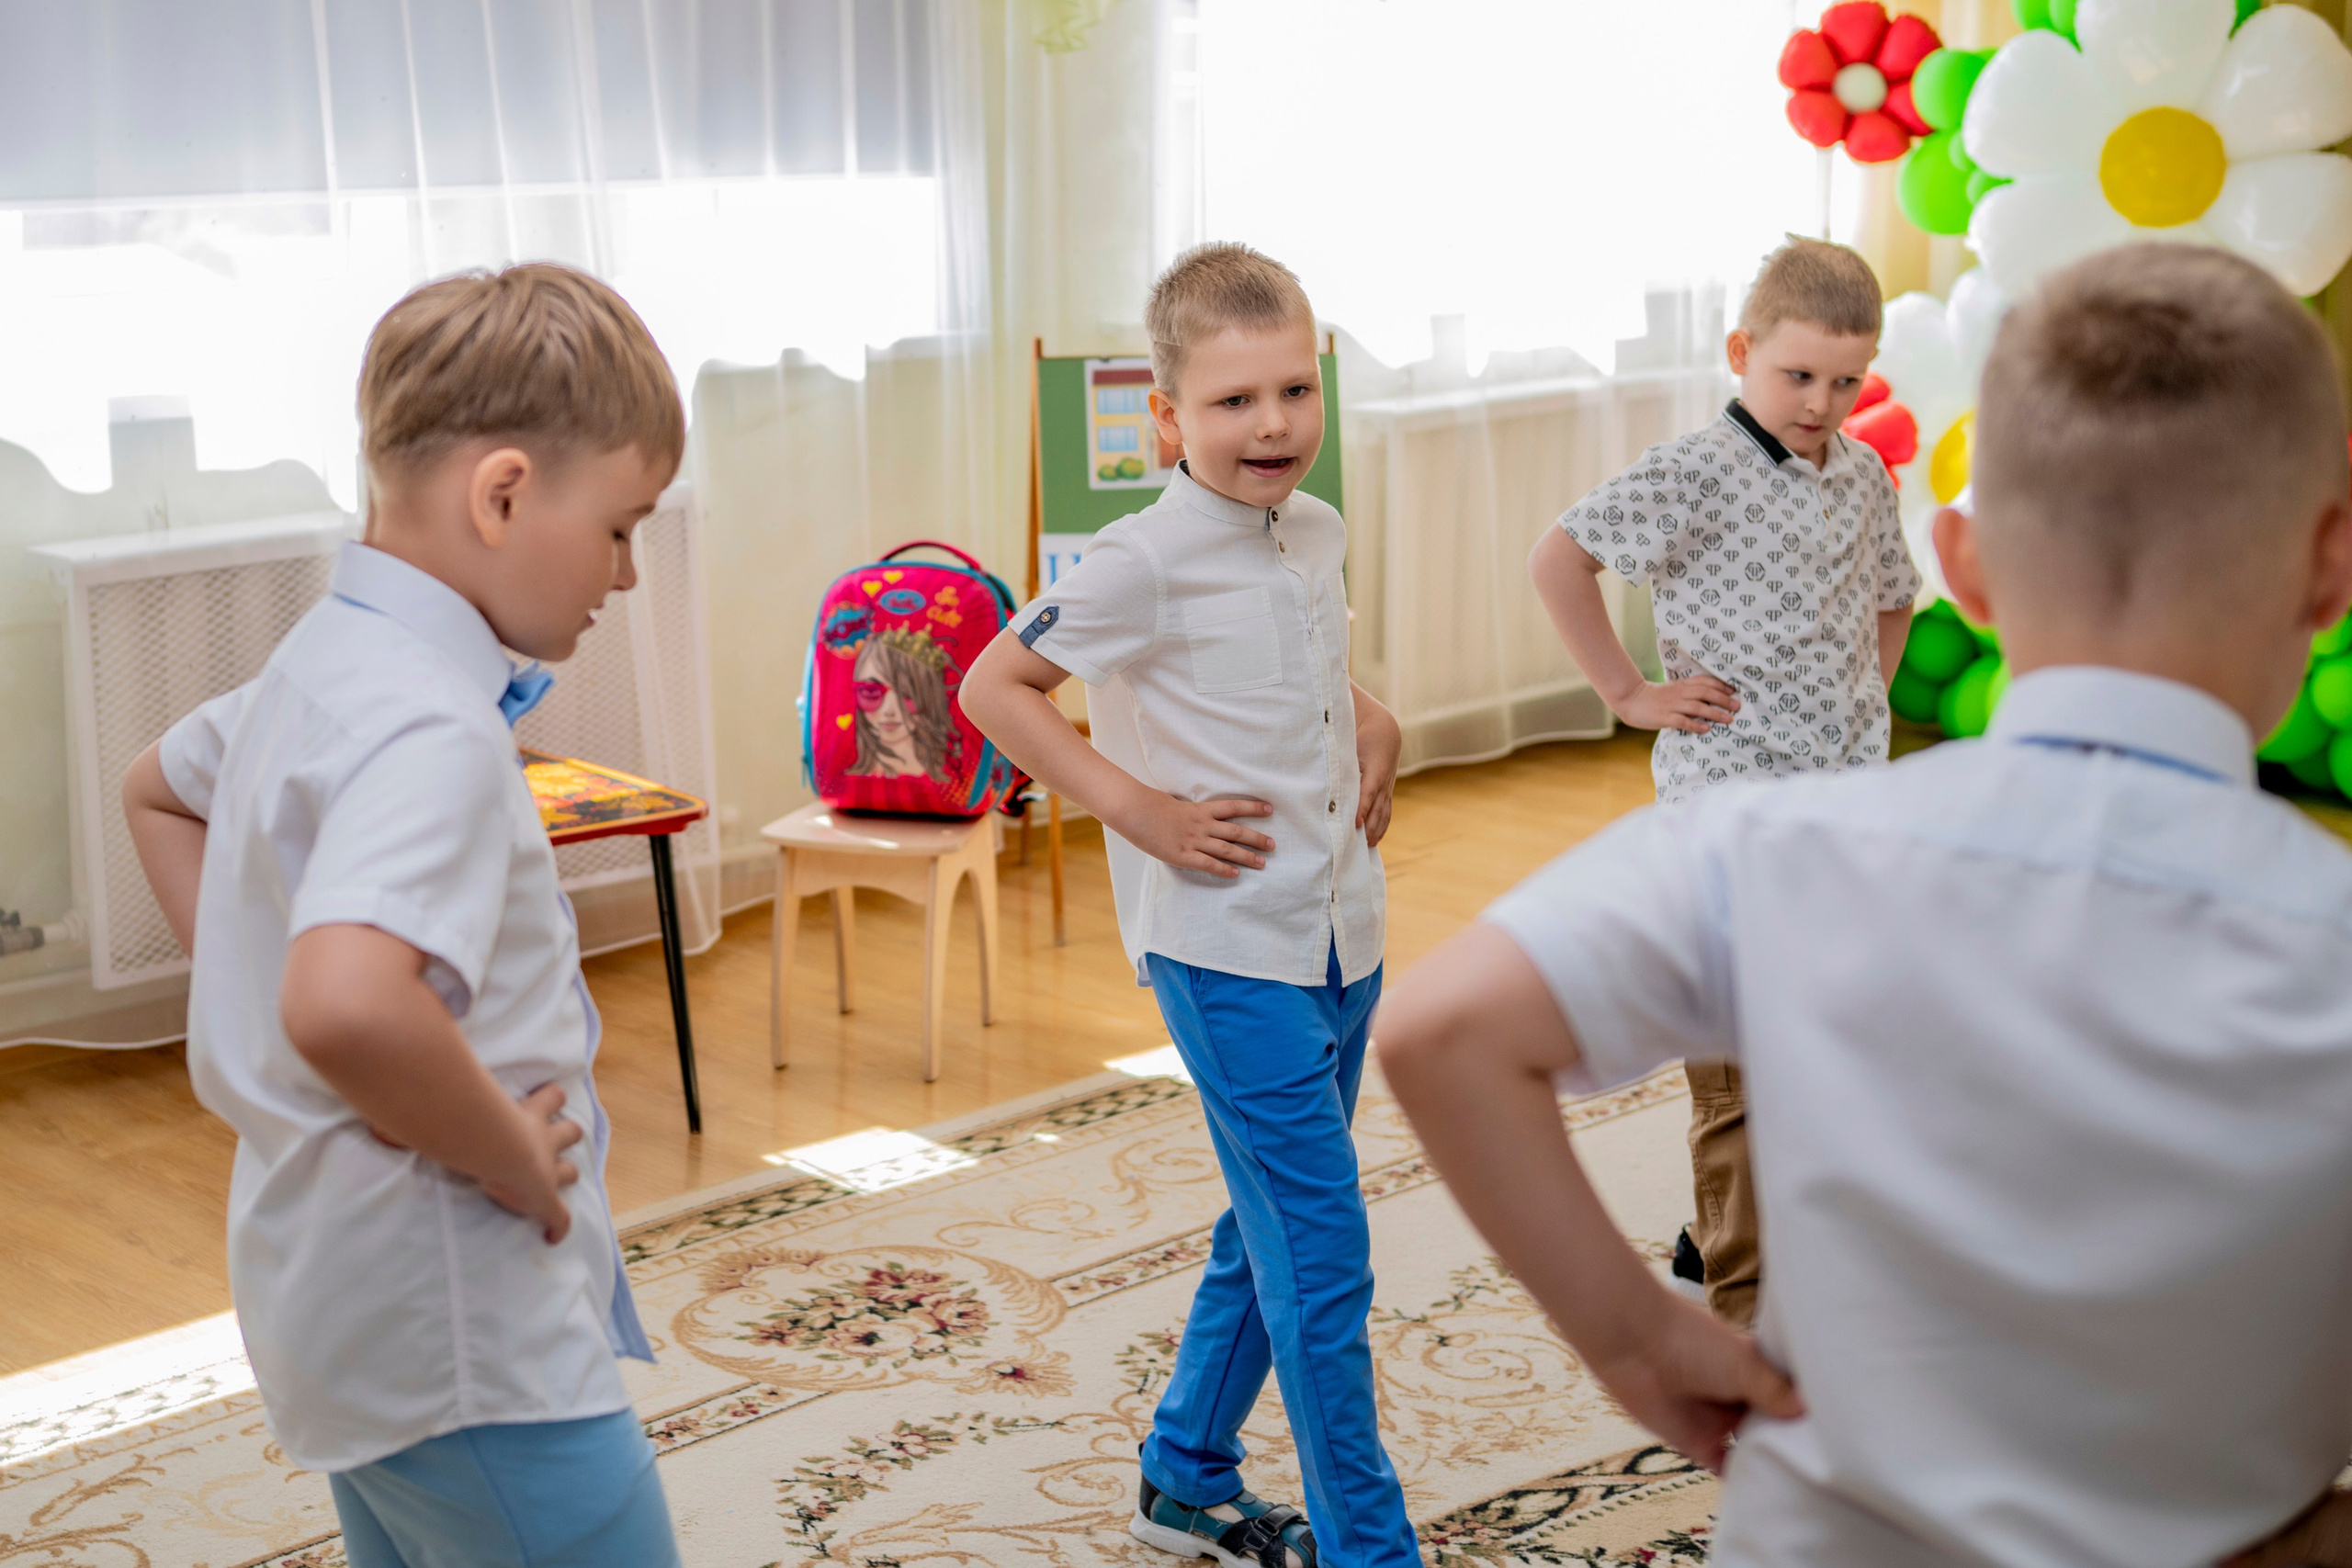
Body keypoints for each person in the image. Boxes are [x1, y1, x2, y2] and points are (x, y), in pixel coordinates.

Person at [1374, 243, 2352, 1568]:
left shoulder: (1769, 856)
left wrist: (1637, 1339)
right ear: (2331, 570)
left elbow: (1443, 1030)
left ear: (1968, 566)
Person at [120, 264, 685, 1568]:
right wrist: (505, 1152)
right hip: (464, 1325)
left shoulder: (319, 664)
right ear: (503, 495)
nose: (626, 574)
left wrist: (267, 1010)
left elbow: (157, 791)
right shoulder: (428, 725)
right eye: (620, 528)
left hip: (339, 1301)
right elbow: (347, 1003)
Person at [961, 242, 1415, 1568]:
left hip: (1341, 931)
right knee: (1321, 1253)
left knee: (1273, 1220)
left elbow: (1296, 666)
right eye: (1232, 401)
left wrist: (1374, 719)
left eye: (1294, 390)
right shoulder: (1137, 561)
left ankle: (1183, 1473)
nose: (1272, 424)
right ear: (1166, 417)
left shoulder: (1314, 529)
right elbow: (994, 688)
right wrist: (1143, 813)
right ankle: (1372, 1551)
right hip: (1226, 951)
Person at [1527, 235, 1920, 1326]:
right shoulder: (1694, 471)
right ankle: (1746, 1313)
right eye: (1798, 375)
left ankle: (1717, 1235)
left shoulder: (1862, 475)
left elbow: (1894, 594)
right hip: (1725, 818)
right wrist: (1626, 691)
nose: (1820, 402)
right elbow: (1560, 557)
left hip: (1834, 812)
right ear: (1743, 353)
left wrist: (1863, 699)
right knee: (1737, 1060)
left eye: (1845, 381)